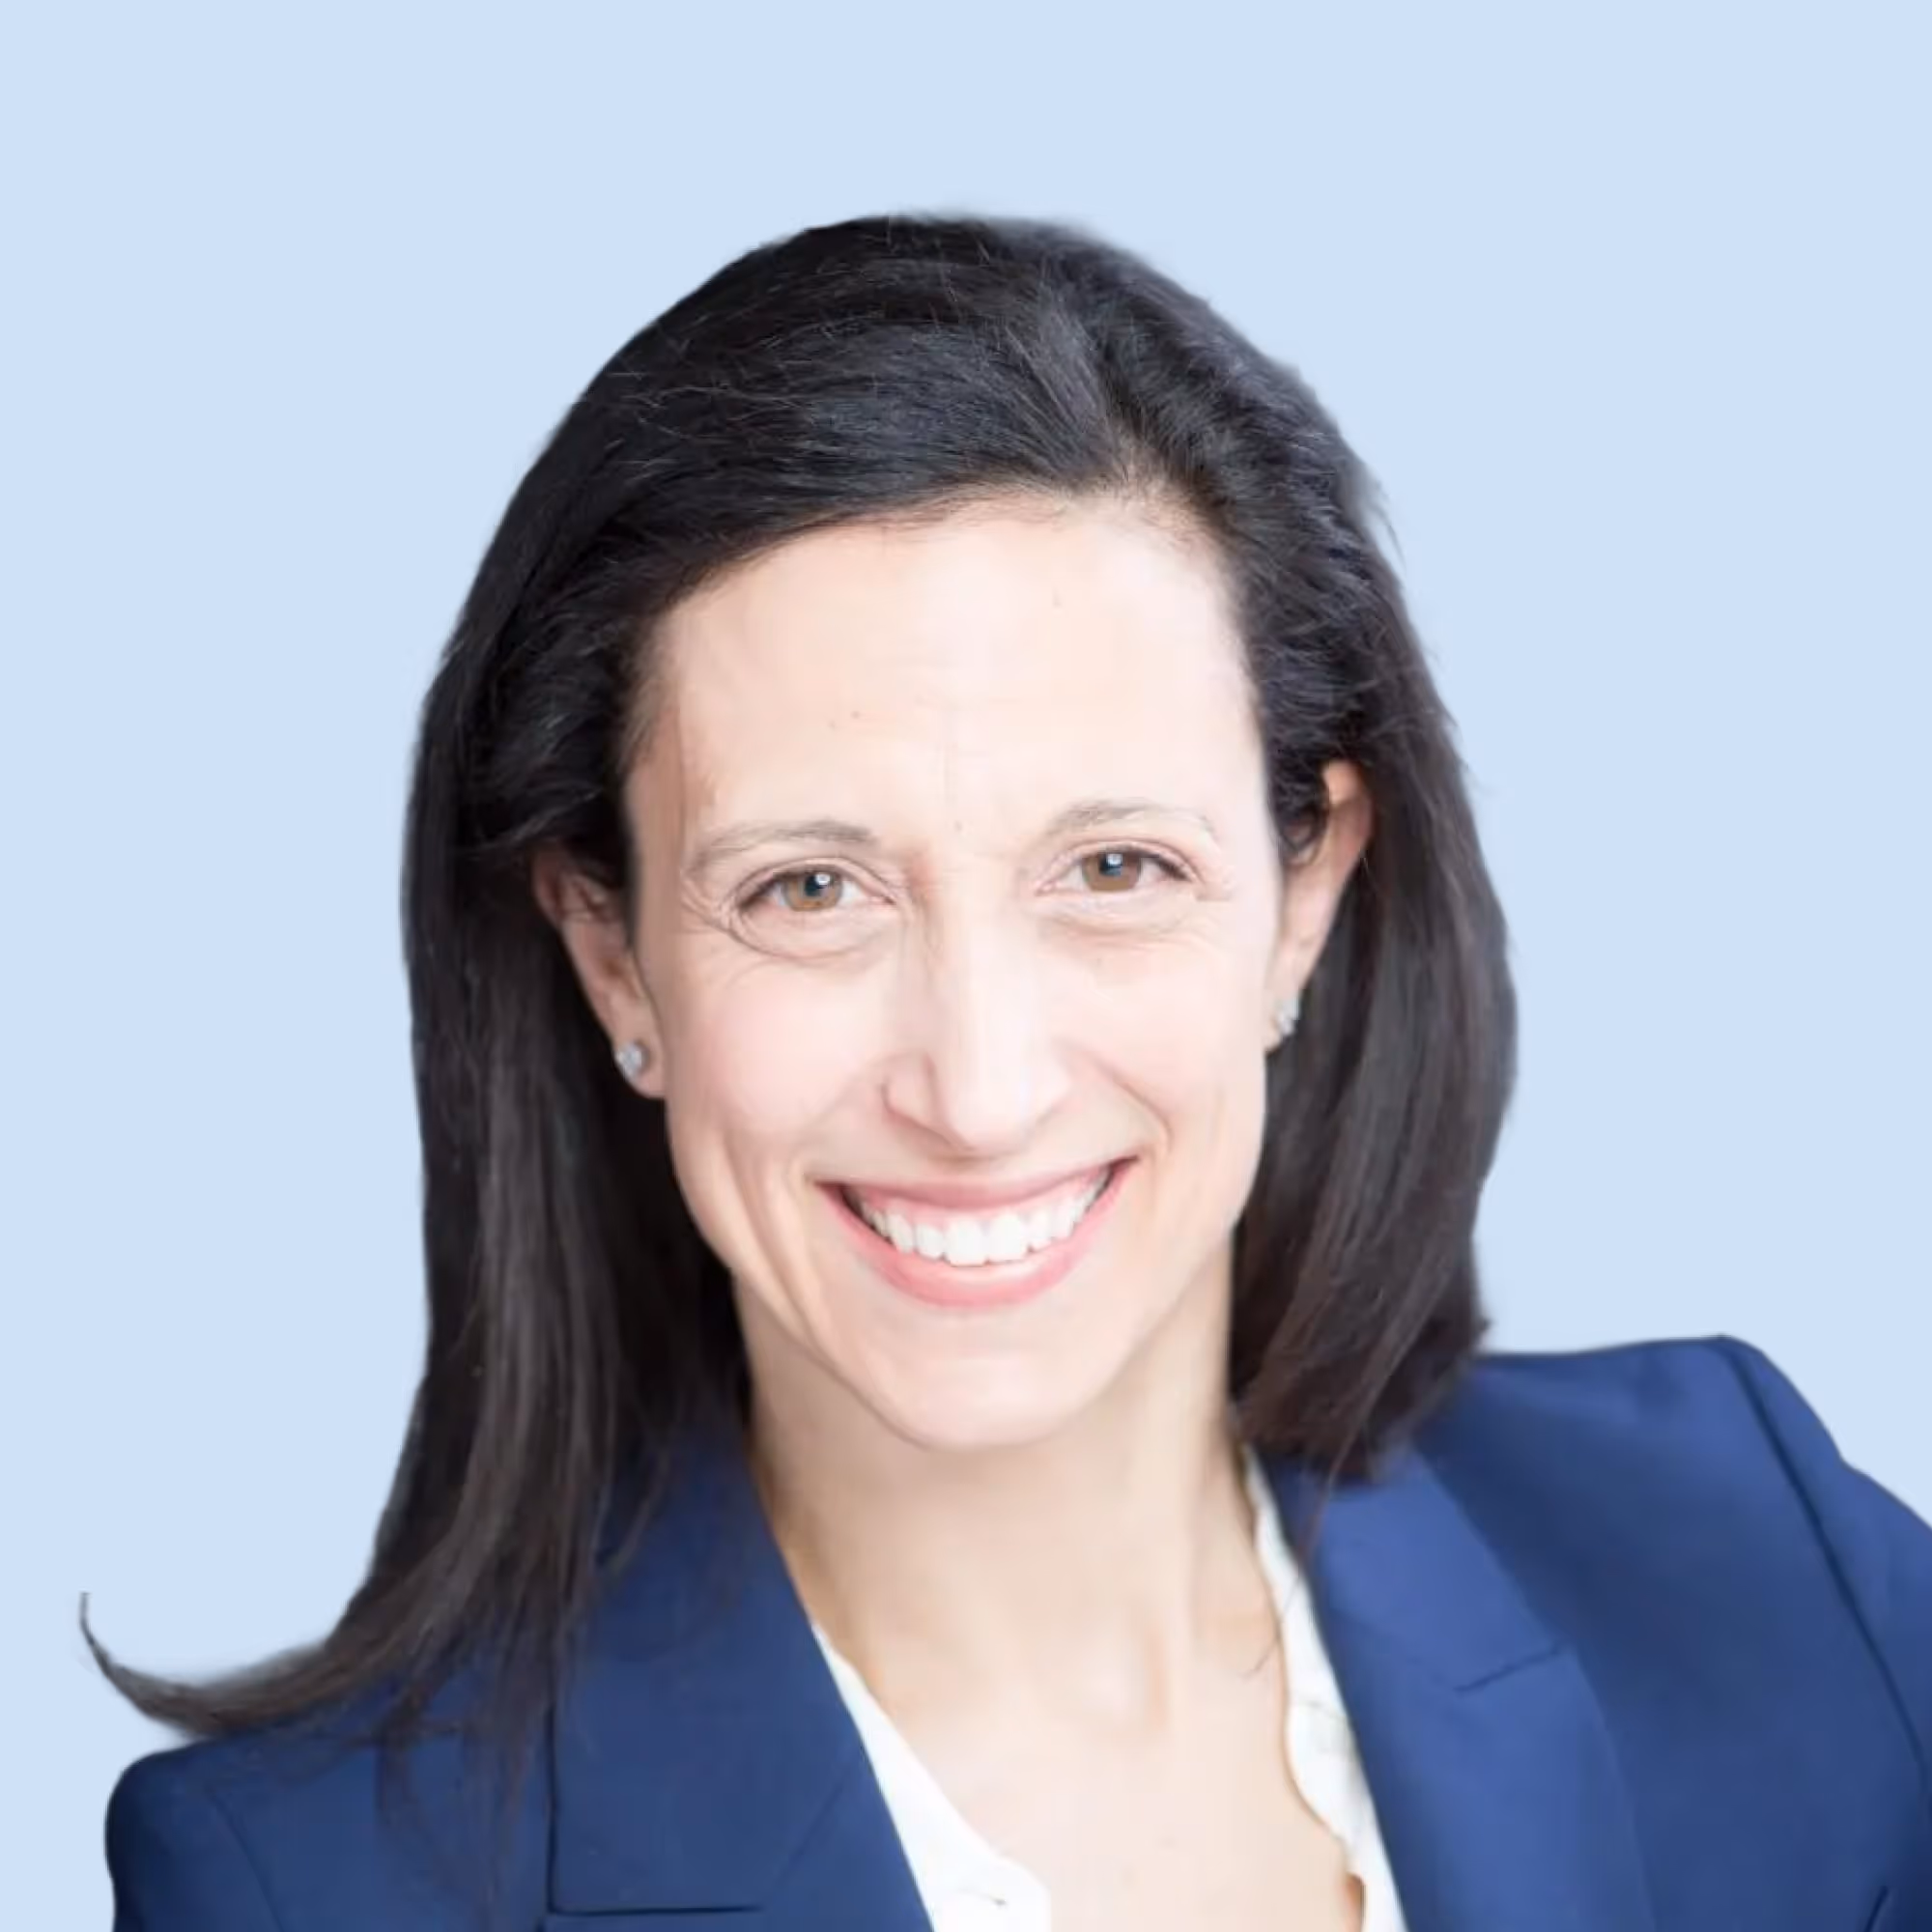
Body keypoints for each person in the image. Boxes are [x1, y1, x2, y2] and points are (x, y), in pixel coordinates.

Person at [92, 212, 1932, 1932]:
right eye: (809, 890)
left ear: (1303, 897)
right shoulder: (309, 1884)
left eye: (1115, 869)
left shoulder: (1773, 1573)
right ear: (611, 951)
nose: (979, 1091)